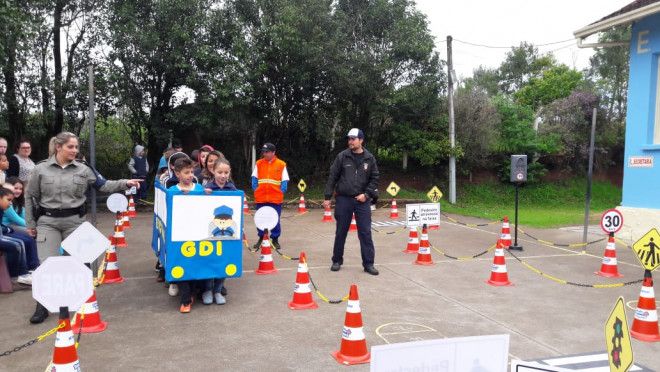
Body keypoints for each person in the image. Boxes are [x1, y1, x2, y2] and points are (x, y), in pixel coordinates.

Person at [25, 131, 142, 324]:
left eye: (76, 147)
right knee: (47, 264)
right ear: (58, 147)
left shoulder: (83, 169)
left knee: (79, 263)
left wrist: (125, 182)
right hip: (48, 221)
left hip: (75, 221)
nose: (74, 150)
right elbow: (30, 196)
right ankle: (42, 305)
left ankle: (80, 300)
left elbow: (103, 185)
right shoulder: (41, 169)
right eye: (70, 147)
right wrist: (30, 223)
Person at [323, 128, 380, 276]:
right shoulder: (342, 157)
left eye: (353, 139)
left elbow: (375, 178)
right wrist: (327, 197)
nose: (350, 141)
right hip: (344, 199)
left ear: (361, 140)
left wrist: (366, 195)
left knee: (365, 233)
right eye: (349, 139)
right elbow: (332, 177)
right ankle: (336, 260)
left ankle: (368, 264)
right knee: (341, 231)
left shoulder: (369, 158)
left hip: (362, 201)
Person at [168, 157, 206, 313]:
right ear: (177, 174)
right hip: (179, 236)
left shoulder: (199, 189)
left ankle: (192, 293)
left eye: (191, 172)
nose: (190, 175)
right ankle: (185, 300)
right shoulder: (171, 191)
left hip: (198, 235)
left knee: (195, 264)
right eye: (186, 172)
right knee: (182, 265)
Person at [202, 157, 237, 305]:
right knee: (210, 262)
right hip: (210, 234)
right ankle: (207, 290)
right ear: (213, 171)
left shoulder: (232, 189)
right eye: (220, 172)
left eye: (226, 172)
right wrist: (203, 194)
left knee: (223, 262)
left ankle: (218, 290)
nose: (223, 176)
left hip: (227, 236)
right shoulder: (208, 188)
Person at [251, 143, 289, 250]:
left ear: (273, 152)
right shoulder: (258, 163)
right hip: (261, 198)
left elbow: (284, 180)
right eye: (263, 151)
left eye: (267, 152)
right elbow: (254, 178)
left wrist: (281, 191)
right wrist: (256, 189)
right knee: (260, 219)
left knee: (275, 219)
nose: (264, 153)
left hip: (275, 198)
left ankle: (275, 239)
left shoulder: (281, 164)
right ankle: (261, 238)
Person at [0, 187, 32, 285]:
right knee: (15, 245)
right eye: (8, 200)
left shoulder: (2, 210)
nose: (10, 203)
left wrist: (7, 229)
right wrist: (7, 229)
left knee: (20, 242)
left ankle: (23, 274)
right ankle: (14, 276)